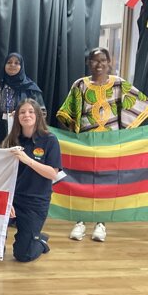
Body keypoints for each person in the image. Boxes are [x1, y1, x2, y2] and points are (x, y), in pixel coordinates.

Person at [57, 47, 148, 242]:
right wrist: (73, 138)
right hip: (85, 145)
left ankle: (101, 224)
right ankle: (80, 222)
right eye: (94, 60)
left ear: (109, 62)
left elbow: (140, 104)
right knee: (83, 183)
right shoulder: (80, 85)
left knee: (106, 184)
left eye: (103, 60)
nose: (99, 64)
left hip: (110, 146)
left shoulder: (118, 84)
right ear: (88, 63)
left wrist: (125, 136)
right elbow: (66, 113)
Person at [3, 99, 61, 262]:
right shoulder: (11, 140)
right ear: (17, 117)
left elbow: (53, 174)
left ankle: (40, 241)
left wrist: (27, 160)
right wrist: (6, 200)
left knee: (23, 255)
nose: (26, 115)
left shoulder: (49, 140)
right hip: (13, 198)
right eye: (22, 112)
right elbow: (3, 174)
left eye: (30, 111)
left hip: (35, 202)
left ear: (38, 115)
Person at [0, 53, 45, 147]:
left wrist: (23, 114)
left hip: (22, 131)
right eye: (9, 62)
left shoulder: (30, 88)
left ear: (21, 66)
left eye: (16, 63)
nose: (12, 65)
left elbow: (42, 112)